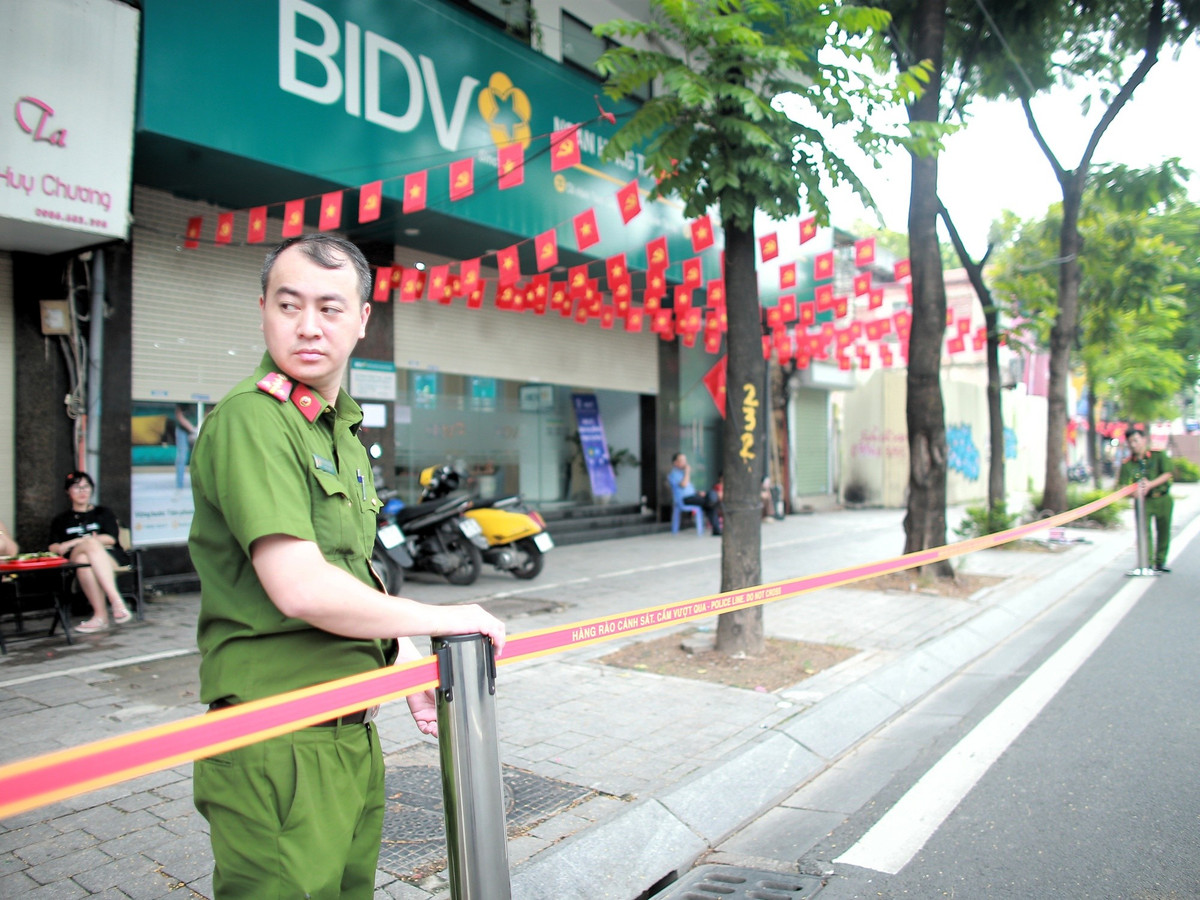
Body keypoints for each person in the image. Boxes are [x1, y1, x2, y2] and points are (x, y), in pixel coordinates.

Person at [188, 233, 506, 900]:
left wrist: (410, 655)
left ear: (363, 320)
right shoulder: (255, 420)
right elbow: (300, 586)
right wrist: (445, 617)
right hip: (277, 739)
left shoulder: (338, 430)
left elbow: (355, 570)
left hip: (350, 735)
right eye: (289, 304)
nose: (308, 327)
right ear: (263, 309)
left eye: (330, 308)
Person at [47, 471, 134, 633]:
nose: (82, 491)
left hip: (109, 557)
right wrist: (84, 541)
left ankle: (100, 617)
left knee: (85, 559)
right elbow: (54, 547)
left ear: (92, 489)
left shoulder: (103, 513)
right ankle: (116, 600)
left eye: (86, 487)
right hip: (73, 557)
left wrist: (77, 541)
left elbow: (111, 539)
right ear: (68, 491)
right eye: (76, 487)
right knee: (89, 547)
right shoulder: (61, 520)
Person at [1116, 428, 1173, 573]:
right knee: (1144, 531)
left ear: (1144, 439)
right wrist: (1131, 492)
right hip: (1143, 502)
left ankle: (1160, 561)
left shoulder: (1157, 455)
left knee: (1164, 530)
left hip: (1162, 498)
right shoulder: (1128, 463)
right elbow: (1122, 485)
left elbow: (1167, 473)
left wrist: (1150, 484)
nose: (1133, 445)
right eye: (1130, 442)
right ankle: (1147, 562)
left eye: (1136, 440)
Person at [668, 452, 722, 535]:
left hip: (693, 496)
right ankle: (714, 501)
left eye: (685, 460)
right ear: (675, 462)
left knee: (710, 499)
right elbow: (683, 485)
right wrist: (687, 472)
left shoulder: (683, 473)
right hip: (684, 499)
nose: (684, 463)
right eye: (681, 460)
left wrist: (698, 493)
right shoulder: (673, 474)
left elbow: (689, 489)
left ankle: (716, 529)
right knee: (711, 502)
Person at [174, 403, 199, 489]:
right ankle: (179, 485)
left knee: (198, 457)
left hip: (198, 428)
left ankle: (197, 484)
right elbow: (179, 415)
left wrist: (198, 429)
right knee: (182, 457)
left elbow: (208, 413)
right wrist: (192, 429)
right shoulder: (183, 400)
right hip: (183, 430)